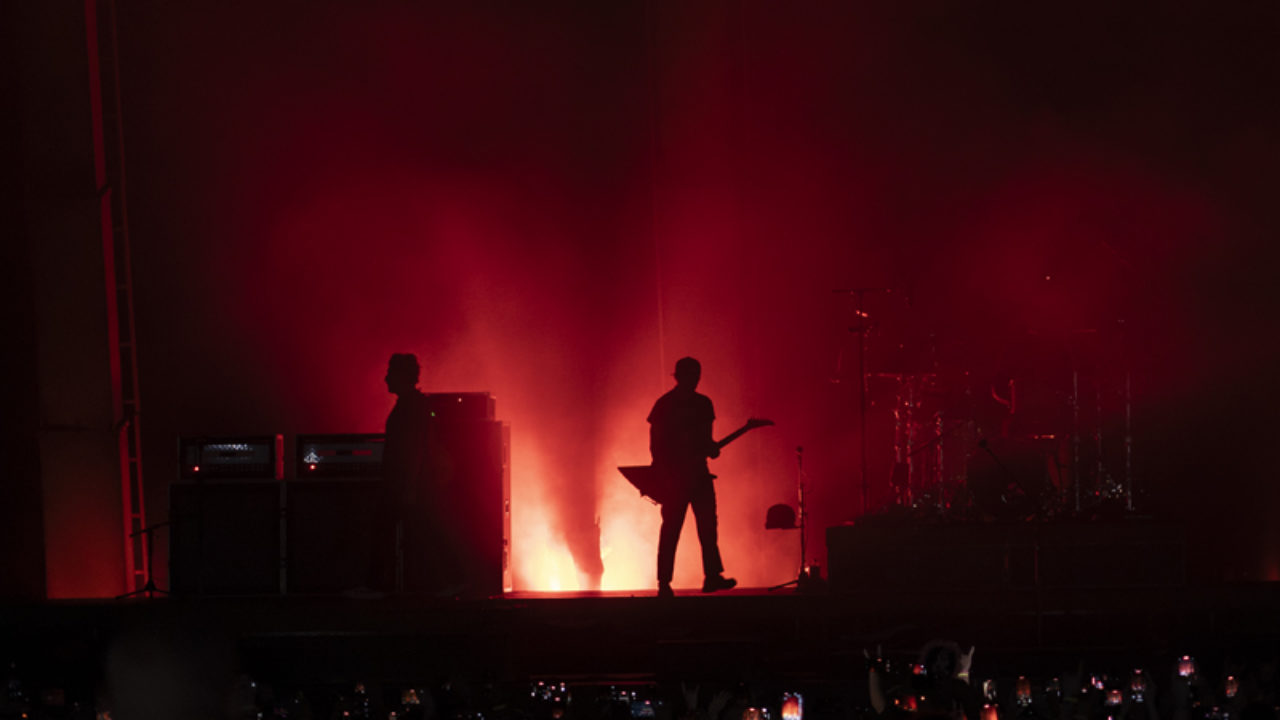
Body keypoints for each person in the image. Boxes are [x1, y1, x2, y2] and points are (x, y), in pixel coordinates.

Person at [648, 357, 736, 598]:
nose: (695, 380)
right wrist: (663, 471)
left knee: (706, 528)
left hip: (696, 475)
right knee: (673, 529)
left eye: (696, 376)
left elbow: (705, 440)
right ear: (680, 377)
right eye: (691, 375)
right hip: (677, 477)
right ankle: (665, 582)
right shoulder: (667, 405)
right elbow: (656, 443)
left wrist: (710, 449)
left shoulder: (698, 404)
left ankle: (711, 576)